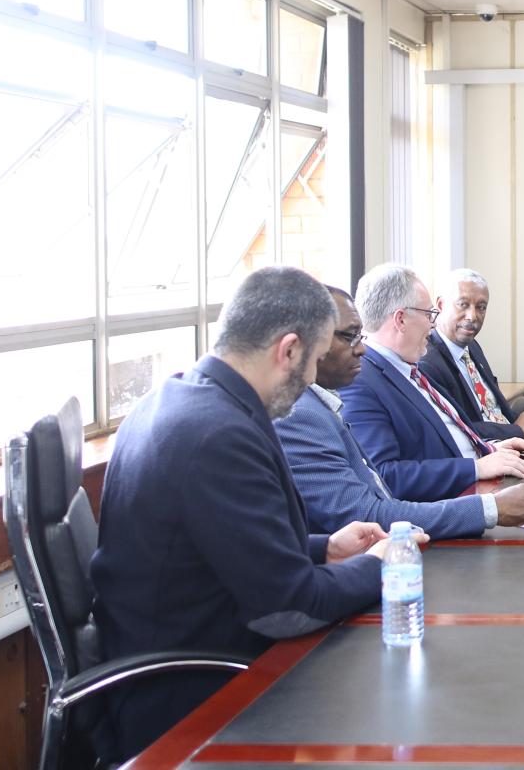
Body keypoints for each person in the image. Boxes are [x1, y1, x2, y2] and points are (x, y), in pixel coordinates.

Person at [90, 267, 406, 760]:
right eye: (316, 360)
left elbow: (217, 545)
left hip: (195, 656)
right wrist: (383, 565)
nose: (309, 384)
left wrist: (327, 547)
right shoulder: (220, 436)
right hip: (198, 699)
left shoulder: (175, 399)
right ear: (289, 351)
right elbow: (289, 609)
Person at [276, 286, 524, 539]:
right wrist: (490, 508)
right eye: (349, 337)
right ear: (302, 343)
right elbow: (368, 511)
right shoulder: (301, 414)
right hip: (391, 548)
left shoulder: (325, 399)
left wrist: (488, 449)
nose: (360, 348)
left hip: (424, 521)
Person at [342, 263, 524, 502]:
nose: (432, 325)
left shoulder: (409, 369)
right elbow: (386, 476)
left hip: (483, 479)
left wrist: (490, 448)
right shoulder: (361, 382)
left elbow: (450, 437)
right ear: (400, 320)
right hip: (456, 504)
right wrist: (476, 467)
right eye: (429, 315)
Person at [417, 268, 524, 442]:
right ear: (441, 305)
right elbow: (457, 428)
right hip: (484, 455)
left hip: (510, 444)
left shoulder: (471, 346)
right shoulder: (427, 360)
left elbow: (493, 408)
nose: (473, 316)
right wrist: (518, 429)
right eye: (463, 304)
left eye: (481, 307)